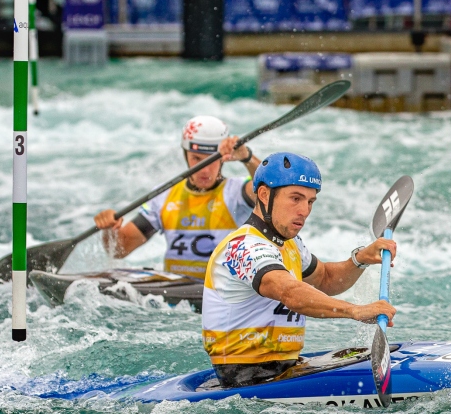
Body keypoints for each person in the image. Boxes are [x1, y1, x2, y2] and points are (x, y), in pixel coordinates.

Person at [202, 152, 397, 388]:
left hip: (284, 367)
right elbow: (290, 293)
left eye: (310, 201)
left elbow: (325, 278)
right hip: (247, 379)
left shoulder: (290, 243)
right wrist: (355, 311)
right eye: (295, 198)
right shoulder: (243, 247)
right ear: (264, 195)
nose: (304, 210)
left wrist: (359, 259)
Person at [93, 116, 261, 279]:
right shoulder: (163, 196)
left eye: (212, 160)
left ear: (224, 159)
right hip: (176, 293)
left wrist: (247, 158)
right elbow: (119, 251)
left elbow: (270, 190)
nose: (204, 170)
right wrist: (109, 229)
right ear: (185, 155)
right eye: (196, 158)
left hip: (222, 290)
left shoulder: (238, 191)